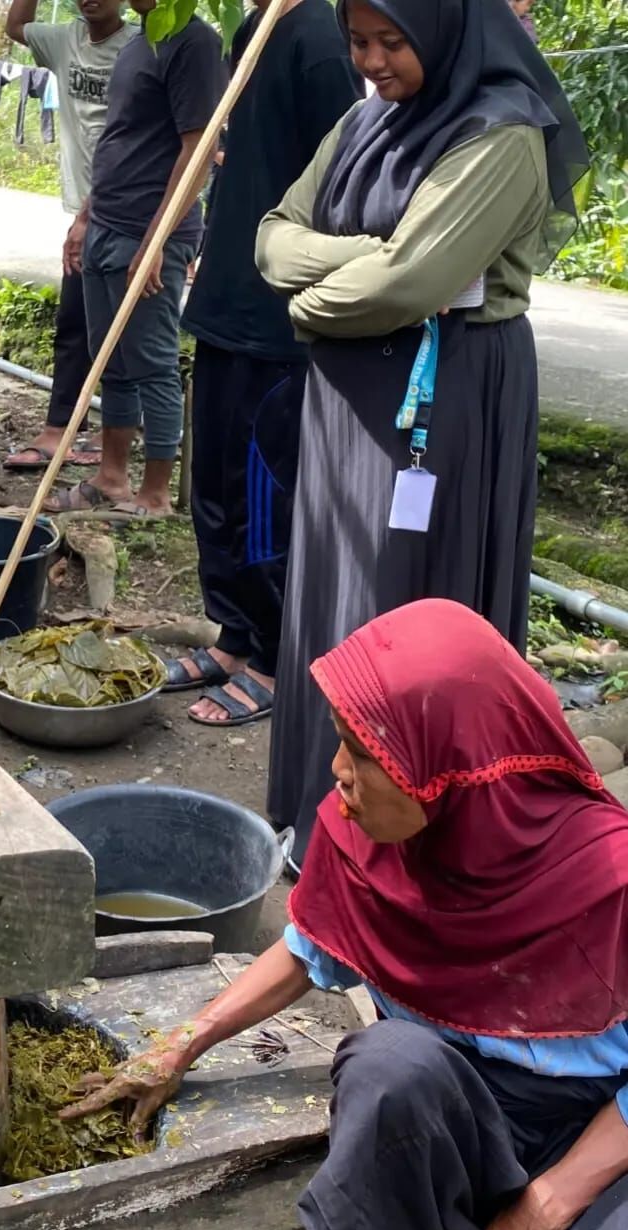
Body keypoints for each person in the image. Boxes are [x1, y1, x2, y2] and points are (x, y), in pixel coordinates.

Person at [64, 599, 628, 1230]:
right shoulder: (362, 833)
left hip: (590, 1134)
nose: (337, 773)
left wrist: (547, 1206)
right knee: (390, 1066)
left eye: (363, 753)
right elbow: (307, 950)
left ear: (445, 765)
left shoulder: (607, 877)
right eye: (341, 741)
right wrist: (178, 1045)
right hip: (446, 1120)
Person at [255, 0, 587, 869]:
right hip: (344, 399)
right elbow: (269, 239)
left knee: (409, 602)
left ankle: (414, 841)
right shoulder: (367, 120)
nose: (371, 60)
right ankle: (322, 814)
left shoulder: (501, 134)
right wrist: (364, 260)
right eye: (358, 41)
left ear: (443, 27)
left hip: (442, 401)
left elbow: (402, 286)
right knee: (334, 591)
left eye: (391, 41)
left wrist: (321, 297)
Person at [171, 0, 359, 729]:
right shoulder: (253, 32)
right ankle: (233, 635)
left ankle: (279, 654)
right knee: (213, 487)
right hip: (223, 302)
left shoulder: (320, 39)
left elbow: (345, 181)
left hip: (275, 323)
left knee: (264, 501)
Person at [44, 0, 225, 519]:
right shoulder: (137, 42)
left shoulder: (195, 43)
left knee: (153, 364)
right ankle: (111, 478)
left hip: (150, 235)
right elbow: (118, 138)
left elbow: (198, 148)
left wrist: (156, 241)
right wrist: (84, 216)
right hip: (107, 224)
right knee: (111, 361)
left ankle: (155, 494)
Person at [1, 0, 138, 473]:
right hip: (86, 211)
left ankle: (114, 432)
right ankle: (59, 427)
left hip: (124, 204)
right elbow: (15, 25)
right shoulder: (64, 41)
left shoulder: (140, 46)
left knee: (118, 328)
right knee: (75, 320)